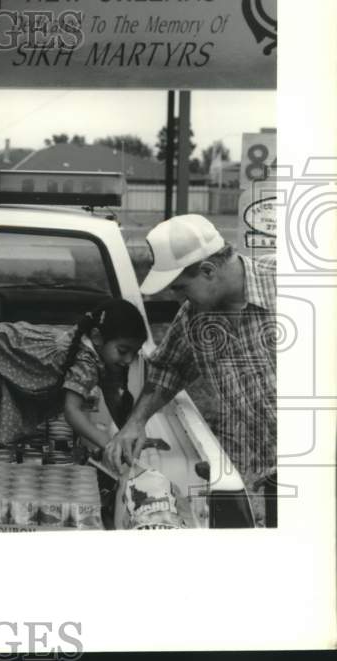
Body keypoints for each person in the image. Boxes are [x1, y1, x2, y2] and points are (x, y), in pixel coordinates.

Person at [103, 214, 277, 527]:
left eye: (182, 288)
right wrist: (136, 422)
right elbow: (167, 369)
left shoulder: (291, 281)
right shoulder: (193, 318)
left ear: (208, 271)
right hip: (276, 470)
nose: (180, 299)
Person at [0, 299, 147, 522]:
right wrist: (108, 443)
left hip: (7, 352)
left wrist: (127, 432)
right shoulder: (85, 360)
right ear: (97, 337)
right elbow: (71, 412)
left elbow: (113, 396)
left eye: (135, 352)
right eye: (123, 351)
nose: (129, 359)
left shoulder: (100, 353)